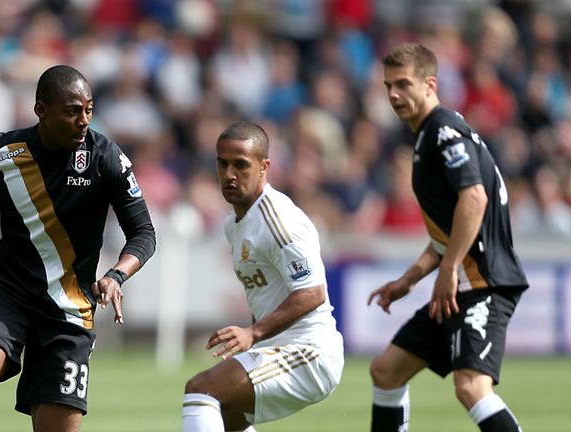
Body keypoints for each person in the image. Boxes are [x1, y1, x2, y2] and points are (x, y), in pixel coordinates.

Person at [0, 65, 156, 432]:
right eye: (72, 110)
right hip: (9, 291)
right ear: (41, 110)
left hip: (70, 306)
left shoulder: (106, 158)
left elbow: (143, 232)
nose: (83, 120)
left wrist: (116, 275)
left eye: (89, 110)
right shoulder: (4, 151)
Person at [367, 43, 528, 432]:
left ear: (430, 84)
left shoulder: (442, 131)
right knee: (386, 371)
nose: (393, 94)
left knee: (471, 386)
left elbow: (474, 199)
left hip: (483, 281)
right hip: (460, 285)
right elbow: (450, 230)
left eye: (403, 84)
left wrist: (450, 267)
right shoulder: (427, 136)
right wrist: (410, 279)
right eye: (388, 85)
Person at [182, 121, 344, 432]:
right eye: (222, 163)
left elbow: (313, 293)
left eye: (241, 165)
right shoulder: (234, 224)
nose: (229, 174)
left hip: (310, 352)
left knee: (201, 390)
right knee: (228, 414)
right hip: (278, 347)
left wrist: (253, 333)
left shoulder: (280, 221)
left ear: (264, 167)